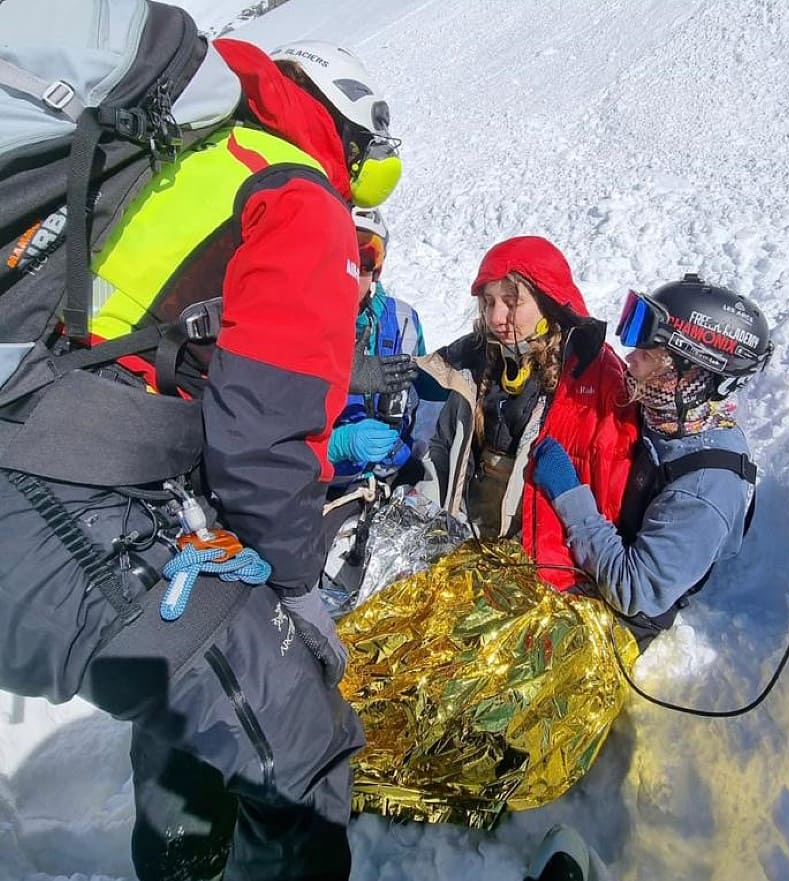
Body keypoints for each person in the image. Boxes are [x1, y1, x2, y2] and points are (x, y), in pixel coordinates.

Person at [0, 30, 402, 881]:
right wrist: (296, 592)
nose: (366, 198)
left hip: (42, 455)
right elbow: (263, 438)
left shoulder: (186, 153)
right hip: (66, 497)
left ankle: (183, 861)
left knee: (193, 685)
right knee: (303, 753)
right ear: (344, 137)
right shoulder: (298, 195)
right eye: (373, 171)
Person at [531, 273, 774, 645]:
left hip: (624, 616)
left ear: (688, 374)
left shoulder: (704, 490)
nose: (630, 360)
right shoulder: (667, 416)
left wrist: (570, 495)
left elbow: (633, 590)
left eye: (646, 355)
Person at [414, 235, 640, 588]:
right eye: (488, 302)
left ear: (547, 302)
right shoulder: (477, 355)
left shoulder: (589, 374)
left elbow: (611, 474)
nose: (496, 317)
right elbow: (419, 378)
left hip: (536, 560)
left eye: (511, 301)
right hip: (466, 535)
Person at [327, 207, 426, 490]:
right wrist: (336, 444)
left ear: (378, 270)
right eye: (338, 256)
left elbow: (432, 389)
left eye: (363, 261)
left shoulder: (404, 320)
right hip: (319, 485)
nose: (348, 273)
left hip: (393, 479)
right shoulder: (297, 322)